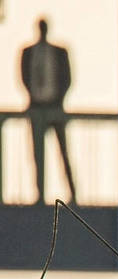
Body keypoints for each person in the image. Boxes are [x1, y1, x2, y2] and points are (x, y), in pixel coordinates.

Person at [20, 19, 76, 205]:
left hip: (55, 107)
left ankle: (73, 192)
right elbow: (25, 78)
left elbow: (67, 78)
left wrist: (58, 101)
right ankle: (39, 194)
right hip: (37, 108)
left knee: (63, 152)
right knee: (37, 153)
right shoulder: (28, 52)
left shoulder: (59, 52)